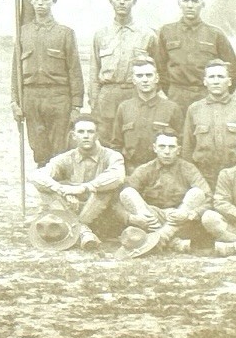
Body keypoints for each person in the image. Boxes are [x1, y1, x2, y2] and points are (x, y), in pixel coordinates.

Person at [12, 0, 86, 166]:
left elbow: (75, 71)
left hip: (58, 98)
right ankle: (43, 192)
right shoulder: (23, 33)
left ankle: (60, 191)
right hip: (31, 98)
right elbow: (16, 71)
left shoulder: (65, 33)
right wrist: (14, 101)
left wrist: (76, 106)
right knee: (39, 150)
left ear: (53, 1)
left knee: (60, 151)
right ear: (31, 1)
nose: (40, 4)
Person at [29, 115, 127, 250]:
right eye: (81, 132)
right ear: (73, 136)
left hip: (102, 215)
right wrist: (60, 189)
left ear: (97, 135)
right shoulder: (66, 158)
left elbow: (117, 176)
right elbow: (36, 175)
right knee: (45, 188)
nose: (86, 136)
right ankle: (83, 232)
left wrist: (84, 188)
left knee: (105, 189)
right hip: (72, 208)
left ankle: (76, 229)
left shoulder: (111, 156)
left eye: (90, 132)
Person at [154, 0, 236, 121]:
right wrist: (171, 91)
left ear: (202, 4)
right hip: (177, 97)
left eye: (194, 1)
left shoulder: (215, 34)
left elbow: (233, 70)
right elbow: (160, 68)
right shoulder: (167, 31)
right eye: (186, 1)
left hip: (206, 96)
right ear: (179, 3)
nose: (190, 5)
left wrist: (217, 94)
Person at [120, 130, 211, 253]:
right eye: (162, 147)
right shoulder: (145, 169)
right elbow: (120, 201)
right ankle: (170, 242)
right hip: (153, 218)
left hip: (179, 219)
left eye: (171, 147)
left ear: (178, 150)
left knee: (197, 193)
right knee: (127, 193)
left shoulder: (189, 169)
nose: (167, 152)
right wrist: (132, 218)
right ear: (155, 148)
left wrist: (190, 214)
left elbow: (208, 198)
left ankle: (156, 241)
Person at [89, 0, 158, 135]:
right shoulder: (101, 35)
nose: (121, 2)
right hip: (107, 96)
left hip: (135, 94)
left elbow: (157, 71)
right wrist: (94, 102)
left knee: (134, 140)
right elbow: (94, 73)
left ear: (134, 2)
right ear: (110, 1)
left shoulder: (147, 35)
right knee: (106, 140)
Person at [182, 59, 236, 189]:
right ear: (205, 81)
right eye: (212, 77)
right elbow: (187, 147)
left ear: (229, 81)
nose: (216, 81)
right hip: (203, 175)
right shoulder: (194, 109)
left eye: (221, 77)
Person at [107, 55, 181, 174]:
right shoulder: (124, 107)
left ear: (157, 78)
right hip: (132, 170)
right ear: (133, 80)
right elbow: (116, 145)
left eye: (149, 75)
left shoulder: (171, 108)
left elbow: (180, 144)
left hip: (163, 172)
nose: (145, 80)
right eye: (140, 76)